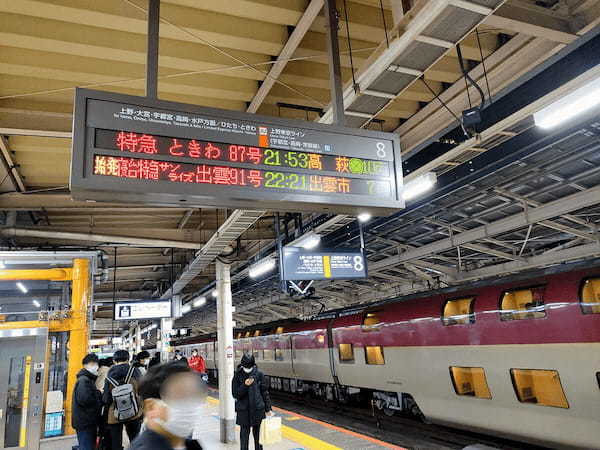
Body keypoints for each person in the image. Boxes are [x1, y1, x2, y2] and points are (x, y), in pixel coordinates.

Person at [129, 362, 206, 449]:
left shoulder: (191, 446)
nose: (190, 406)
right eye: (179, 396)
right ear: (151, 407)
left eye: (193, 395)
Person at [103, 350, 143, 450]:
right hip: (134, 411)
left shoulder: (109, 375)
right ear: (128, 359)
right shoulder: (136, 372)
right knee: (135, 440)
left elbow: (106, 399)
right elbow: (143, 391)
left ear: (114, 361)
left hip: (114, 414)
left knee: (116, 443)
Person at [232, 353, 273, 450]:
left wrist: (268, 409)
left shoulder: (259, 374)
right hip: (243, 411)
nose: (248, 368)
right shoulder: (237, 375)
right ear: (242, 365)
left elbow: (264, 393)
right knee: (244, 440)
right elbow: (235, 394)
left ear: (253, 365)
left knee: (259, 441)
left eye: (249, 366)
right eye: (246, 367)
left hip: (258, 410)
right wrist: (245, 385)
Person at [72, 353, 103, 450]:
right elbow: (85, 400)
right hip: (85, 422)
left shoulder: (87, 379)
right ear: (86, 365)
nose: (96, 367)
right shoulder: (84, 381)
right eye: (93, 364)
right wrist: (98, 395)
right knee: (87, 447)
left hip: (86, 421)